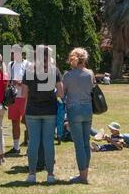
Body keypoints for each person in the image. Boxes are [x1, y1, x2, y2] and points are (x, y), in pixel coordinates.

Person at [22, 45, 63, 184]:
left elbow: (23, 93)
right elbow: (61, 93)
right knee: (48, 142)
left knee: (33, 142)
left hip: (32, 110)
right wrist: (51, 94)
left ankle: (32, 174)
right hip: (49, 110)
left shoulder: (29, 70)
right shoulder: (54, 70)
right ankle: (50, 174)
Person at [63, 47, 95, 184]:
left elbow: (63, 93)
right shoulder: (90, 73)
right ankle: (85, 173)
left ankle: (82, 176)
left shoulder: (68, 76)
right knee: (86, 142)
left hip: (74, 110)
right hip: (87, 109)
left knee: (79, 145)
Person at [6, 45, 28, 155]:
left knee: (28, 122)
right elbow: (8, 80)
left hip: (24, 97)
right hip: (13, 98)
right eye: (12, 53)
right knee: (15, 122)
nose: (13, 55)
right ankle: (16, 147)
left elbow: (30, 81)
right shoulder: (11, 65)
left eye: (14, 53)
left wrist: (21, 83)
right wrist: (11, 82)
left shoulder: (27, 64)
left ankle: (30, 147)